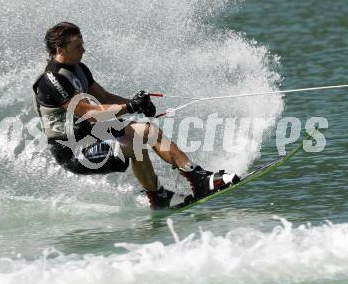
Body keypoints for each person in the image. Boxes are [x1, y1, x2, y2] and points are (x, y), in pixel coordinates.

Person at [32, 22, 239, 209]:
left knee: (148, 131)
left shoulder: (79, 68)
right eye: (78, 47)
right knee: (134, 144)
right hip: (73, 150)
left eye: (82, 44)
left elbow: (104, 96)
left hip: (92, 133)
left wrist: (137, 105)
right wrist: (130, 107)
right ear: (60, 49)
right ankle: (158, 196)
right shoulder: (50, 81)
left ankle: (199, 179)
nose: (84, 50)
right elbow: (88, 111)